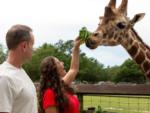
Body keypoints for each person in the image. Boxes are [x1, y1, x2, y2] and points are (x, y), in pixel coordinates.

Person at [0, 24, 37, 113]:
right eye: (32, 45)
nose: (34, 49)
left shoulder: (20, 71)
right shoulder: (4, 77)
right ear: (24, 46)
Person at [38, 38, 81, 113]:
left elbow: (74, 69)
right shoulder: (49, 94)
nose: (62, 63)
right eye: (58, 62)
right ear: (53, 69)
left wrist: (76, 47)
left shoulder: (61, 85)